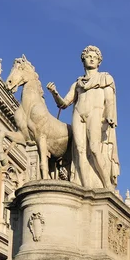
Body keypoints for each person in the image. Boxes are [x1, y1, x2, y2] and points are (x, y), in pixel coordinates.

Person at [46, 45, 119, 190]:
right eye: (88, 57)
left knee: (94, 148)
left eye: (95, 57)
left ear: (99, 62)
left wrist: (110, 115)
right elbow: (64, 103)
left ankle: (107, 185)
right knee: (79, 151)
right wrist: (54, 93)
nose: (91, 59)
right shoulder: (77, 84)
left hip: (96, 113)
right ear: (83, 60)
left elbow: (109, 100)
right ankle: (85, 188)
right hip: (78, 114)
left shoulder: (105, 78)